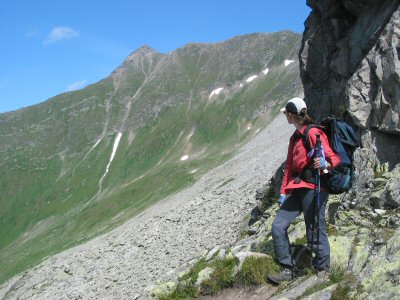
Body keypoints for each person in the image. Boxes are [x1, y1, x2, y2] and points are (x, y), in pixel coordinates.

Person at [267, 97, 340, 284]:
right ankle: (288, 268)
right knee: (278, 226)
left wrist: (325, 163)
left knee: (314, 228)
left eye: (286, 113)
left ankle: (323, 269)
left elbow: (334, 159)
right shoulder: (295, 137)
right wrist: (283, 191)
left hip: (315, 188)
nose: (285, 116)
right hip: (297, 190)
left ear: (291, 114)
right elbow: (290, 167)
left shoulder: (313, 133)